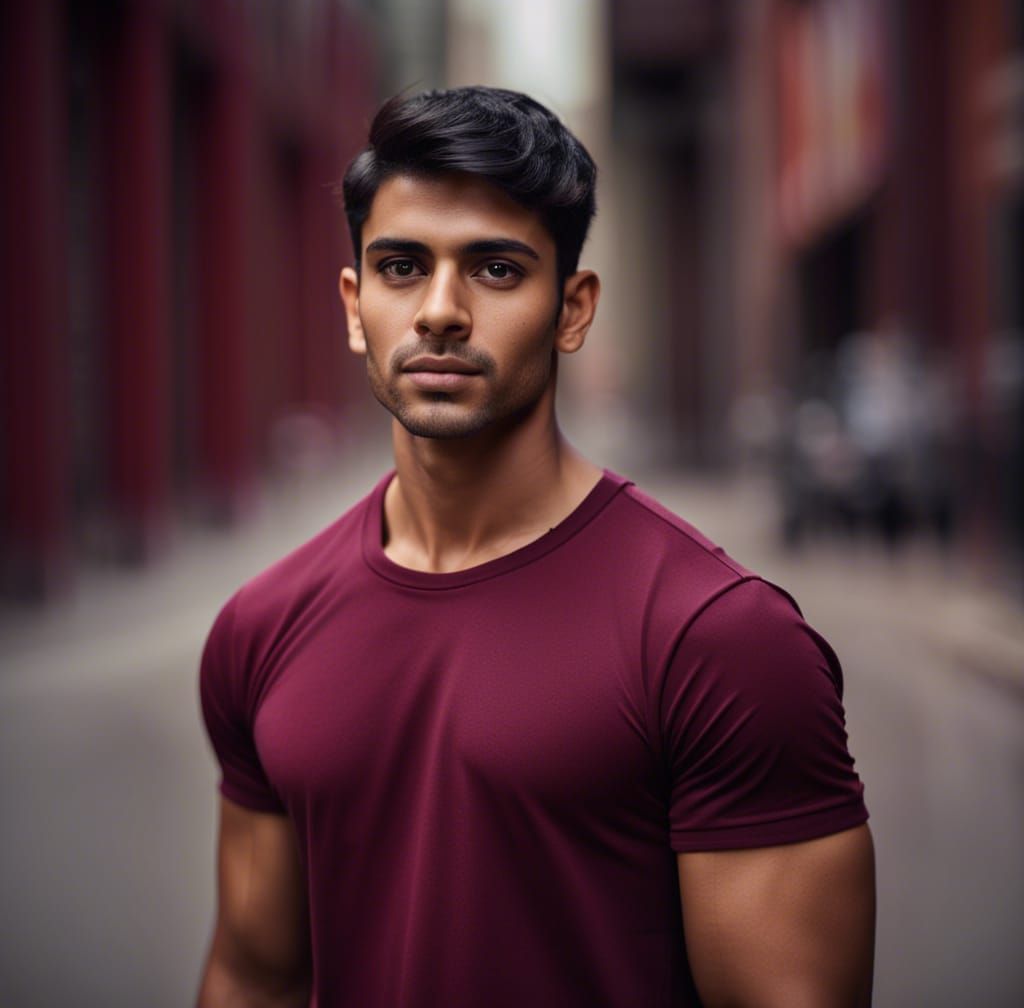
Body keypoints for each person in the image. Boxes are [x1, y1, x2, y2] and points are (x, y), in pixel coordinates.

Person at [196, 86, 875, 1007]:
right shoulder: (262, 628)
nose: (439, 310)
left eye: (496, 270)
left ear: (573, 308)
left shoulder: (720, 642)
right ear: (355, 307)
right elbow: (252, 974)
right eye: (400, 266)